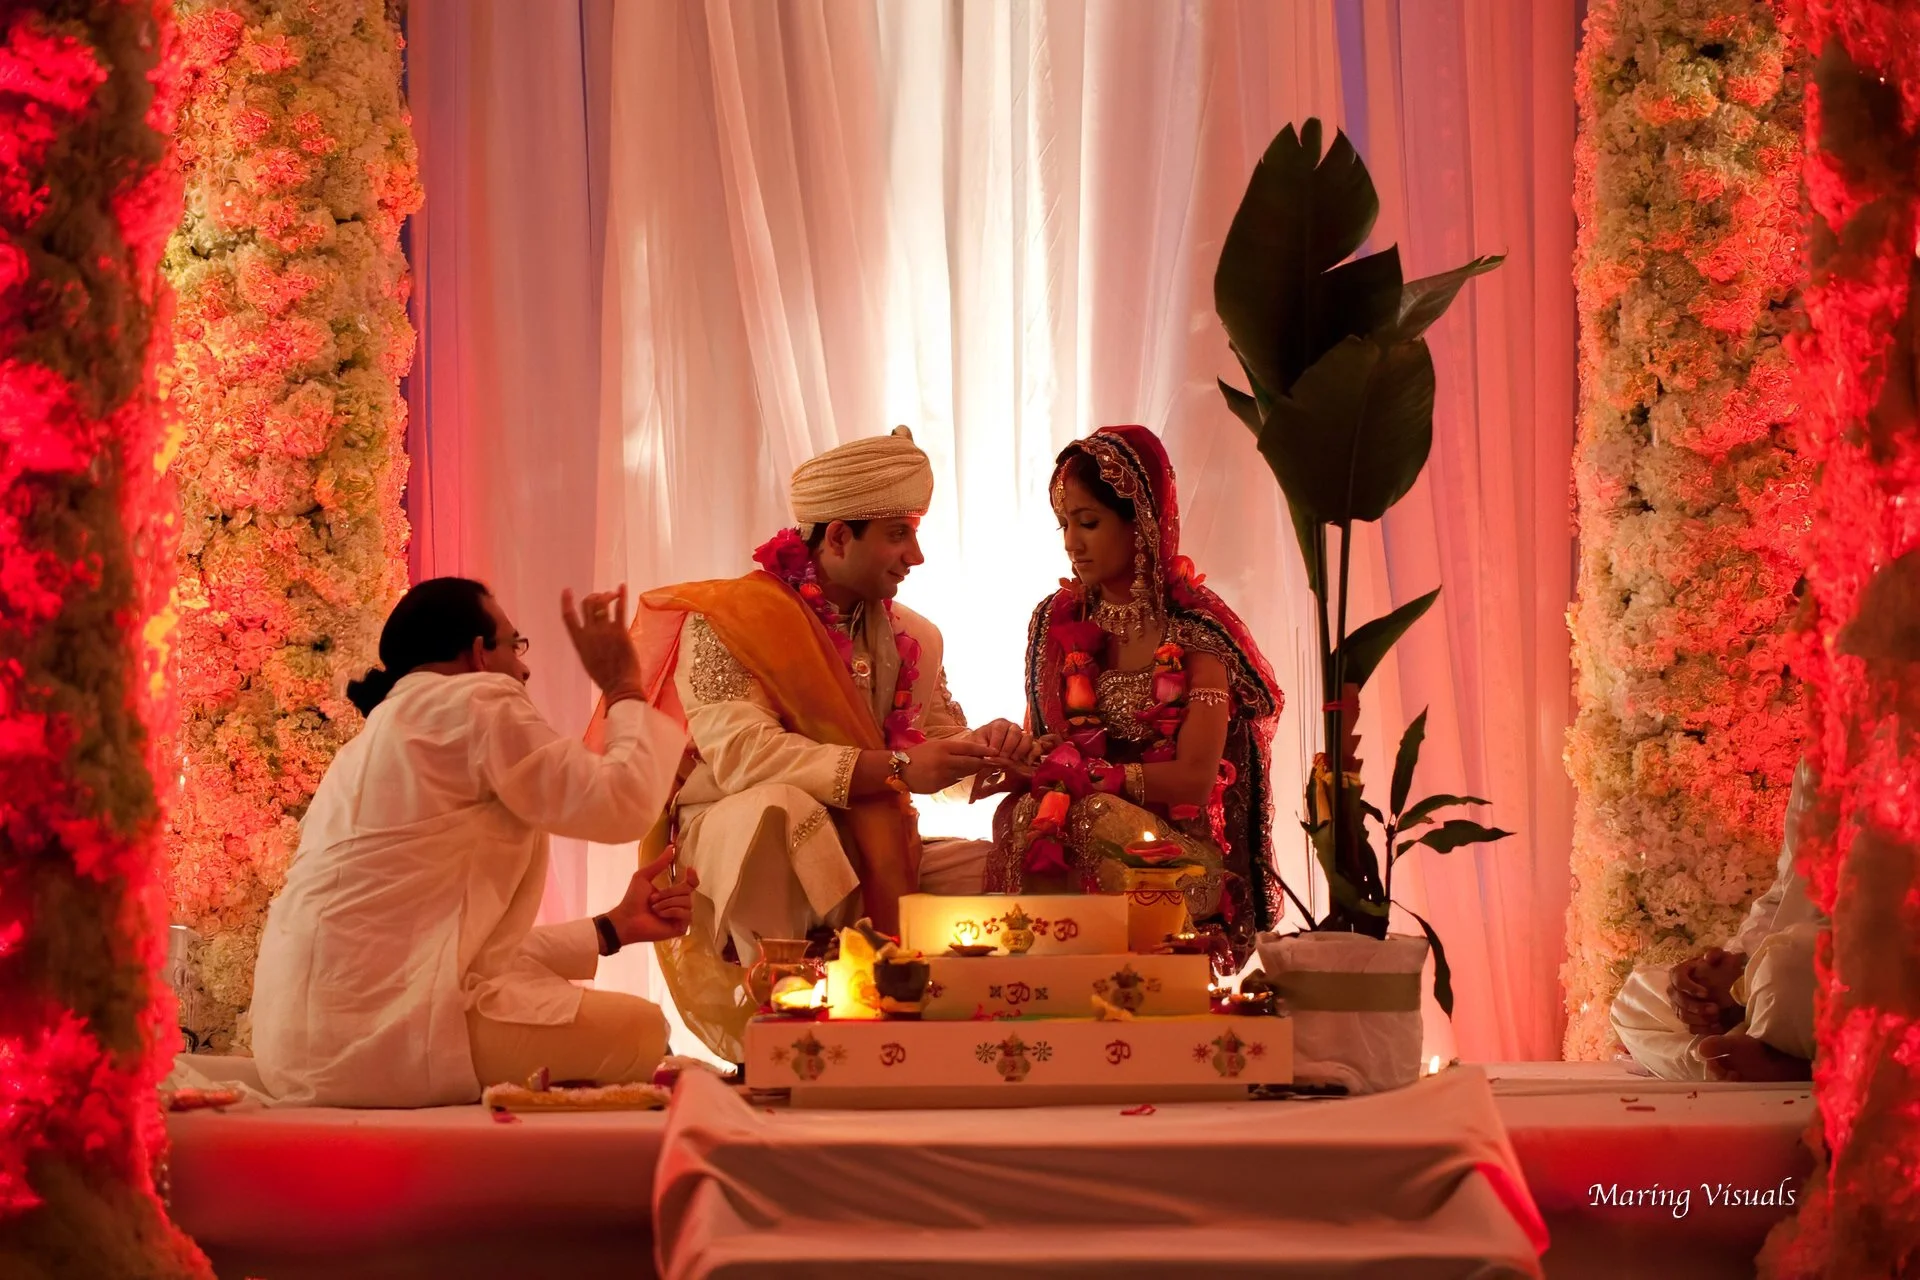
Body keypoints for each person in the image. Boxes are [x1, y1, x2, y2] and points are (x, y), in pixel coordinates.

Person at [620, 426, 1026, 1060]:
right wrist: (894, 769)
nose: (914, 556)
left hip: (877, 843)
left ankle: (969, 1044)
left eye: (914, 534)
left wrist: (994, 753)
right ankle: (789, 1025)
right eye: (899, 534)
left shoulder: (916, 637)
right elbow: (746, 756)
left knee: (1018, 869)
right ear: (838, 536)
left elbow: (937, 747)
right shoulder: (732, 622)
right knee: (784, 809)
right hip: (744, 841)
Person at [251, 577, 691, 1106]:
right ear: (481, 653)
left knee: (599, 1023)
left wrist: (609, 930)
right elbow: (621, 804)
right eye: (516, 645)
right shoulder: (476, 700)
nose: (524, 668)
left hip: (298, 1048)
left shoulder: (370, 743)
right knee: (642, 1031)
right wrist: (623, 685)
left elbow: (443, 950)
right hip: (374, 1043)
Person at [982, 425, 1285, 962]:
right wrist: (1035, 757)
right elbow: (1055, 739)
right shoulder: (1058, 622)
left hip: (1175, 858)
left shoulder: (1196, 632)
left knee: (1092, 812)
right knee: (1025, 813)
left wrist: (1102, 778)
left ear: (1141, 523)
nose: (1073, 544)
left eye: (1089, 523)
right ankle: (1040, 986)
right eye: (1065, 526)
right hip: (1083, 818)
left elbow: (1194, 775)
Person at [1610, 759, 1823, 1082]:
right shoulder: (1820, 753)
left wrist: (1760, 971)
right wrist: (1733, 967)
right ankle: (1734, 1058)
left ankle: (1794, 1063)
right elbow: (1786, 891)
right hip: (1785, 980)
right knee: (1637, 998)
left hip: (1864, 980)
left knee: (1790, 965)